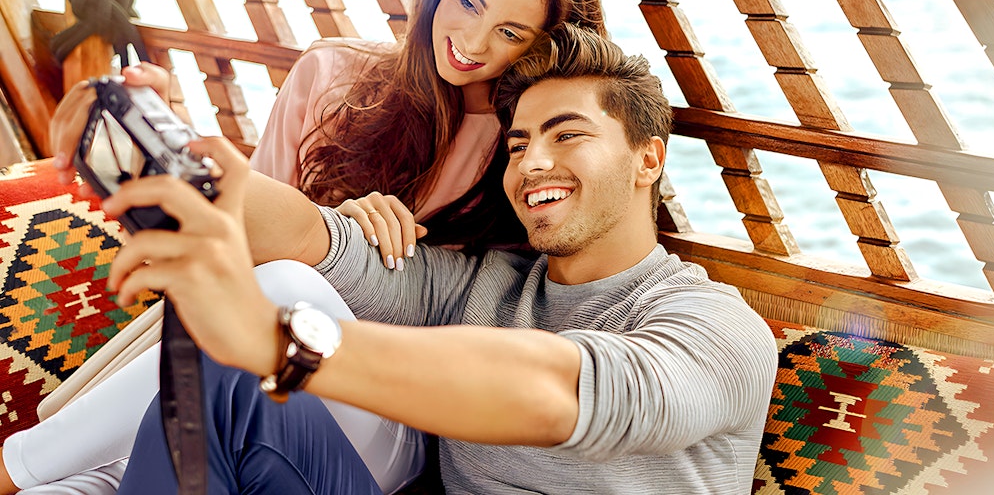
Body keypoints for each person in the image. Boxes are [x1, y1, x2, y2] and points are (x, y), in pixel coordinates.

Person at [0, 0, 607, 494]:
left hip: (390, 413)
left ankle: (12, 465)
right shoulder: (332, 73)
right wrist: (334, 234)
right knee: (85, 485)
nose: (472, 42)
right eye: (467, 2)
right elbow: (234, 252)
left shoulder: (526, 147)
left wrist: (344, 263)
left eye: (510, 32)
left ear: (540, 46)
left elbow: (500, 318)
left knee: (295, 289)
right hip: (246, 373)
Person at [106, 25, 777, 493]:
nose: (533, 162)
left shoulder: (718, 328)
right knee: (231, 386)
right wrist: (165, 149)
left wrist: (275, 340)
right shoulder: (484, 287)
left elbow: (555, 395)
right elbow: (315, 239)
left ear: (648, 158)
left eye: (566, 134)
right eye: (517, 146)